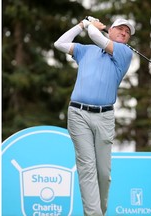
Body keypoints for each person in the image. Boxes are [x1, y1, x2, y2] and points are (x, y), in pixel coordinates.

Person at [54, 16, 135, 216]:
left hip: (104, 117)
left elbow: (95, 36)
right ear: (111, 30)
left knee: (104, 174)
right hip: (78, 114)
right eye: (120, 29)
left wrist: (91, 26)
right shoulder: (85, 51)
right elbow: (60, 43)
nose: (124, 33)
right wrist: (81, 24)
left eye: (128, 32)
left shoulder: (124, 53)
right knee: (87, 169)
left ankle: (100, 212)